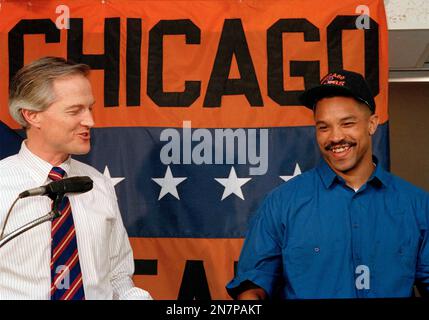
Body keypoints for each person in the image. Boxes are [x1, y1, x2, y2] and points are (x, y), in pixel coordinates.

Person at [226, 70, 429, 299]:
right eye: (324, 127)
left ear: (372, 124)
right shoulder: (281, 203)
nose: (335, 137)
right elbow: (253, 283)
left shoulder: (418, 205)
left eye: (347, 123)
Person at [0, 56, 152, 300]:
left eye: (89, 108)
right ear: (32, 115)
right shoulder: (2, 186)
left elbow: (117, 276)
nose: (90, 121)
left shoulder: (97, 184)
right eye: (74, 111)